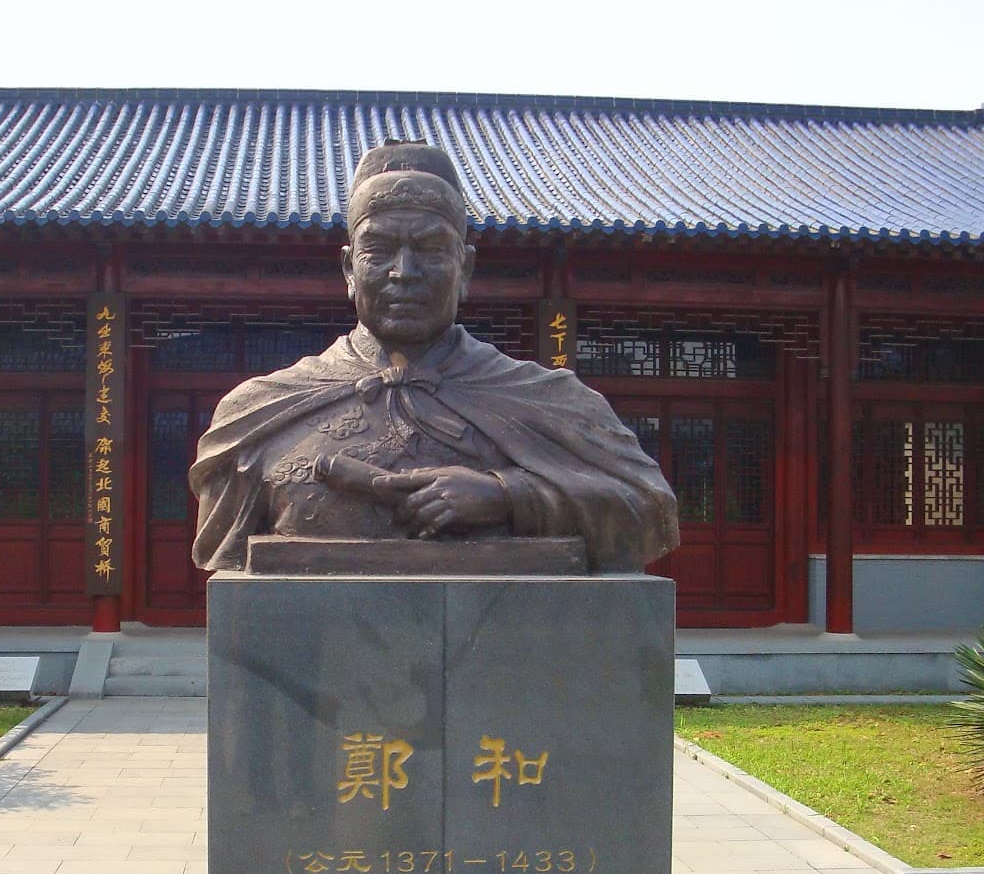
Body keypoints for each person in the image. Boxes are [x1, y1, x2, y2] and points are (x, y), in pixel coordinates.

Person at [189, 141, 679, 572]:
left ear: (464, 269)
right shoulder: (258, 413)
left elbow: (649, 511)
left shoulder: (550, 400)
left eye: (429, 249)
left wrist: (510, 495)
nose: (404, 272)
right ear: (348, 269)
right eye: (378, 249)